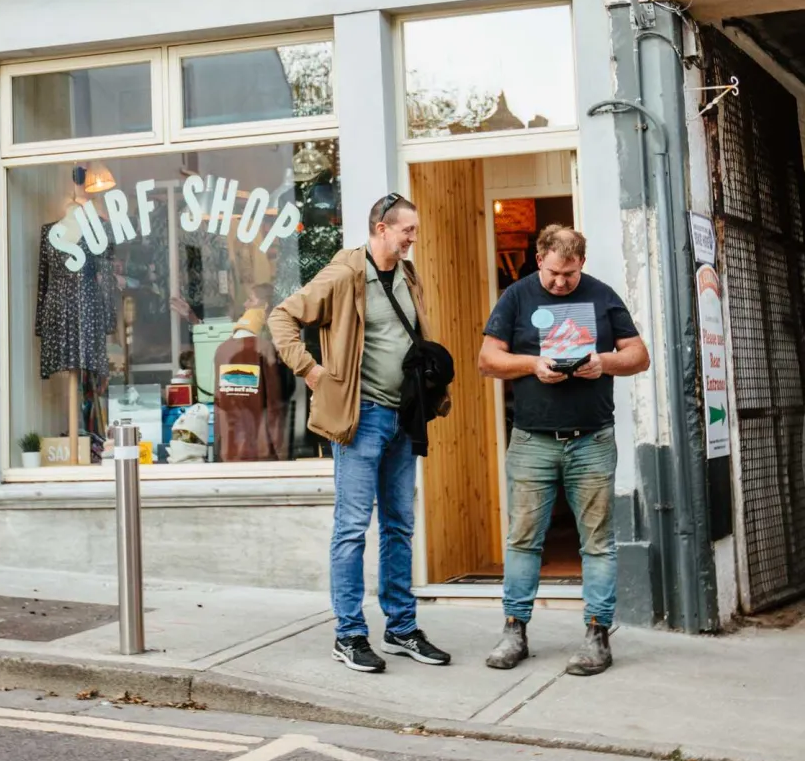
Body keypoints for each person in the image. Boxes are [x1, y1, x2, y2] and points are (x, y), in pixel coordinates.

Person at [269, 193, 450, 674]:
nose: (413, 237)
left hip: (402, 416)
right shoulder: (346, 274)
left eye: (413, 229)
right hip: (362, 417)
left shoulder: (406, 274)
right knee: (352, 529)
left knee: (399, 525)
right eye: (407, 230)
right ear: (381, 228)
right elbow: (281, 317)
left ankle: (401, 627)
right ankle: (348, 635)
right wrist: (309, 370)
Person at [478, 224, 650, 677]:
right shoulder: (516, 297)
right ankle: (514, 631)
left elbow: (639, 355)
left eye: (570, 275)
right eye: (554, 273)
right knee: (522, 540)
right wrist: (533, 364)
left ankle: (597, 637)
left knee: (597, 543)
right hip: (532, 440)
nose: (560, 283)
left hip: (592, 440)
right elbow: (487, 360)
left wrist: (603, 362)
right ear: (539, 260)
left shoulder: (602, 295)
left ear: (581, 265)